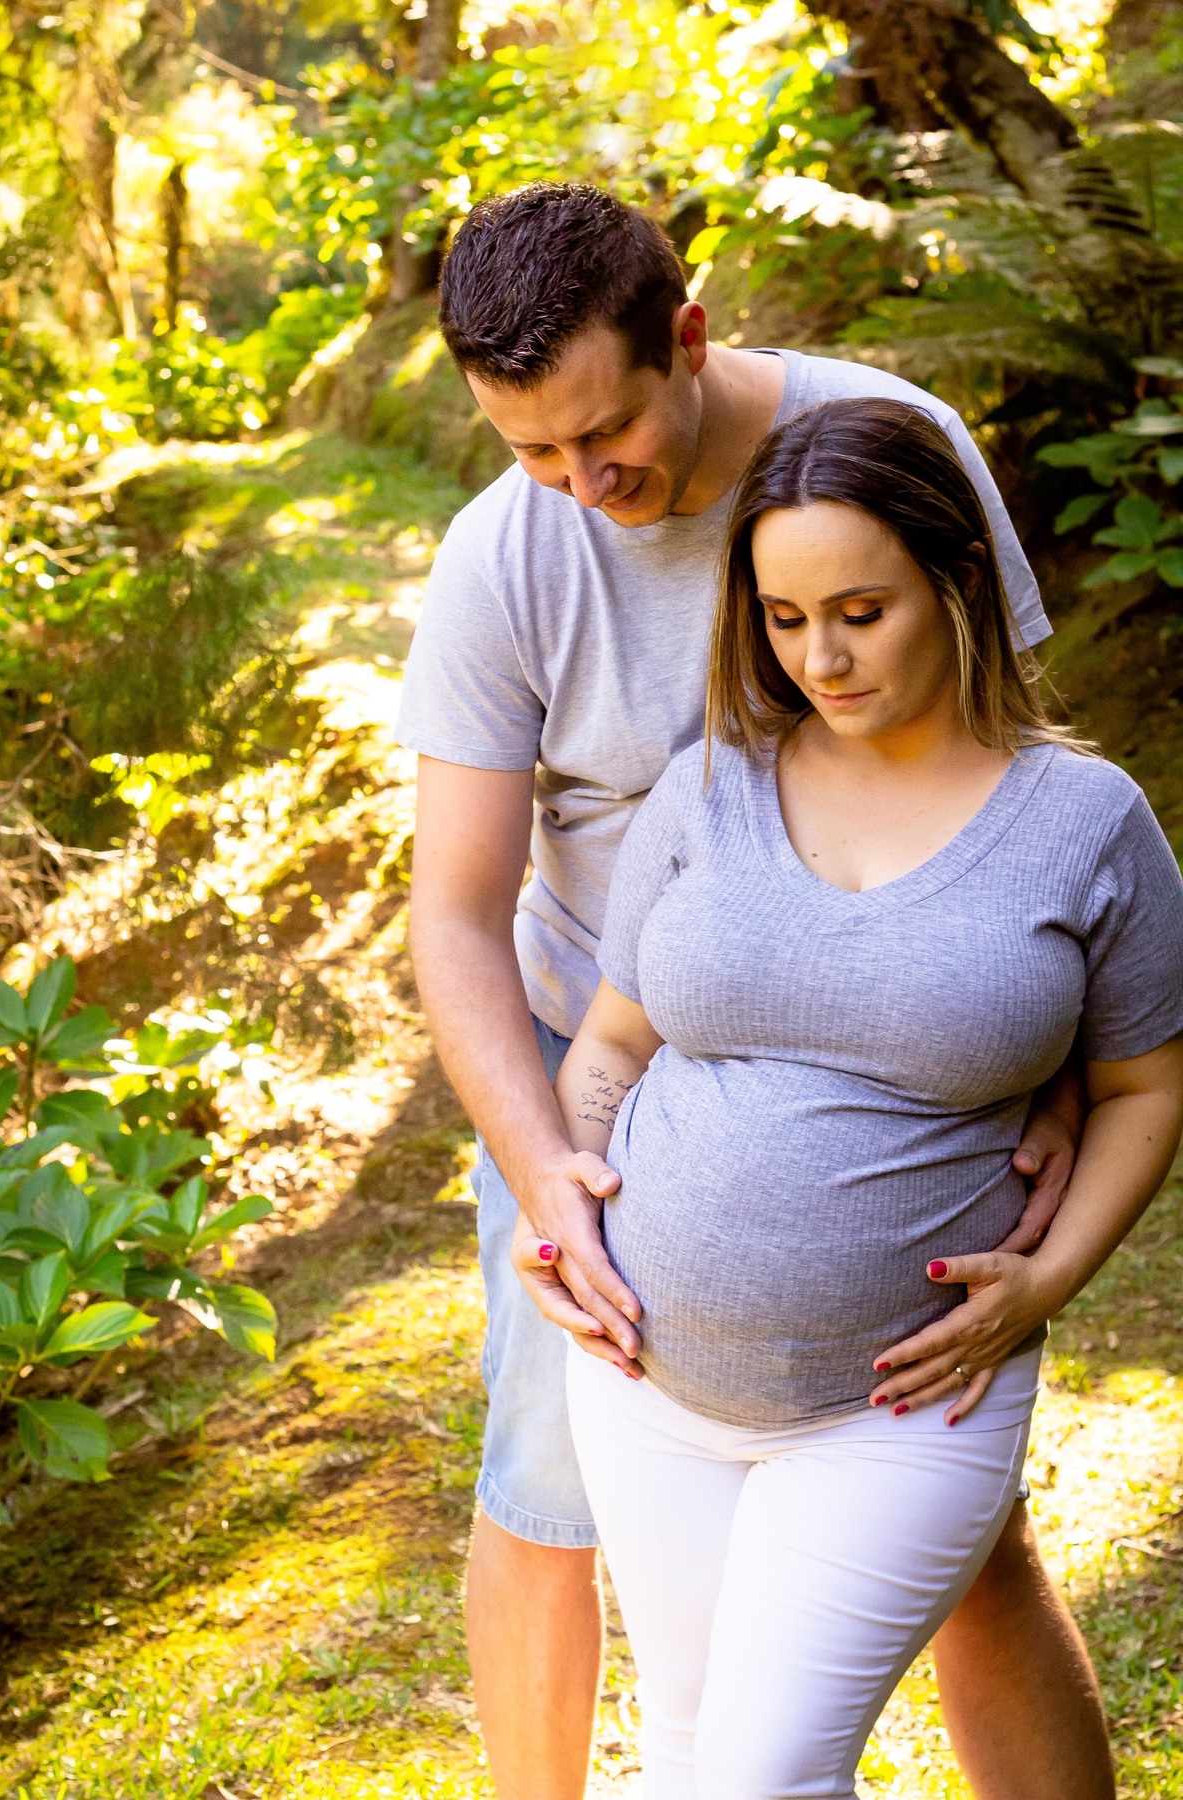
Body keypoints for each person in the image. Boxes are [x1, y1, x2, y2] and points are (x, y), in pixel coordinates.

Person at [400, 182, 1111, 1799]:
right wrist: (544, 1174)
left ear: (691, 336)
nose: (583, 488)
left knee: (969, 1543)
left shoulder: (887, 444)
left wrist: (1059, 1069)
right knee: (543, 1494)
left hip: (902, 1054)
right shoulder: (505, 554)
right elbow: (456, 909)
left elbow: (1022, 791)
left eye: (608, 434)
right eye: (532, 450)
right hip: (605, 1050)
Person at [524, 396, 1183, 1797]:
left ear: (959, 581)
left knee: (760, 1776)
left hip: (902, 1401)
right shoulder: (708, 787)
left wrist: (1049, 1280)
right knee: (687, 1748)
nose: (819, 658)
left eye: (861, 613)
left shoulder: (1087, 823)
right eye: (783, 619)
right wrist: (570, 1199)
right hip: (645, 1381)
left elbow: (1143, 1085)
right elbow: (612, 1044)